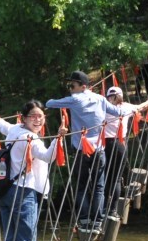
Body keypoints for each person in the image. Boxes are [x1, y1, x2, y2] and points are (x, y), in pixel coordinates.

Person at [0, 102, 66, 241]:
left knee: (9, 239)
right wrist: (59, 138)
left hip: (6, 192)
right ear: (24, 118)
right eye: (33, 116)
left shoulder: (14, 130)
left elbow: (2, 125)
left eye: (41, 116)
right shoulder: (31, 139)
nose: (38, 119)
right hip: (24, 194)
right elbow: (48, 157)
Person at [45, 71, 121, 231]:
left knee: (82, 186)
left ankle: (85, 219)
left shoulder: (74, 99)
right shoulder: (100, 99)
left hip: (81, 151)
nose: (70, 88)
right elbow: (118, 112)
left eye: (72, 85)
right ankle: (97, 221)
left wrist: (65, 102)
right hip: (99, 149)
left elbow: (49, 103)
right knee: (99, 186)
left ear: (83, 86)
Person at [103, 85, 148, 216]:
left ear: (108, 96)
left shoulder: (102, 107)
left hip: (104, 145)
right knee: (115, 178)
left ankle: (103, 208)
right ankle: (112, 210)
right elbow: (141, 107)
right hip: (120, 144)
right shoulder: (126, 107)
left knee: (104, 177)